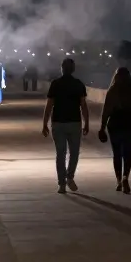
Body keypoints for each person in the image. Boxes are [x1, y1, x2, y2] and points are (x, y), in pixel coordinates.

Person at [42, 58, 89, 194]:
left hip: (58, 123)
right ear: (73, 69)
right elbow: (83, 105)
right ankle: (70, 177)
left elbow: (49, 105)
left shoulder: (55, 84)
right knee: (74, 153)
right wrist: (87, 123)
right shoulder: (79, 84)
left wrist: (44, 123)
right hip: (75, 123)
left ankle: (61, 184)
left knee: (60, 154)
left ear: (61, 68)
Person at [100, 67, 131, 194]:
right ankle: (126, 177)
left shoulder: (112, 91)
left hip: (115, 124)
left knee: (117, 154)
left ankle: (119, 181)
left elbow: (106, 111)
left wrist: (102, 127)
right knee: (127, 153)